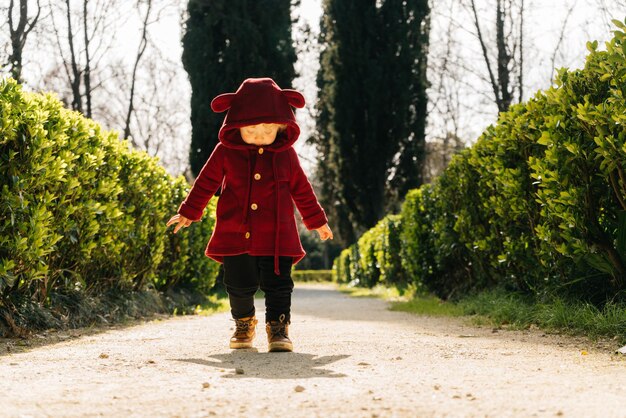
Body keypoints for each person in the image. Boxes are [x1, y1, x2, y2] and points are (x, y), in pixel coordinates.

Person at [166, 77, 333, 352]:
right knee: (237, 285)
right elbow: (206, 182)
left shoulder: (286, 155)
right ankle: (244, 323)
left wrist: (317, 221)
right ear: (236, 124)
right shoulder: (225, 152)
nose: (259, 136)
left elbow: (302, 189)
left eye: (267, 130)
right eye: (251, 129)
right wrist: (188, 212)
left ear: (281, 126)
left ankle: (279, 328)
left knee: (279, 285)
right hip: (235, 231)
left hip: (277, 237)